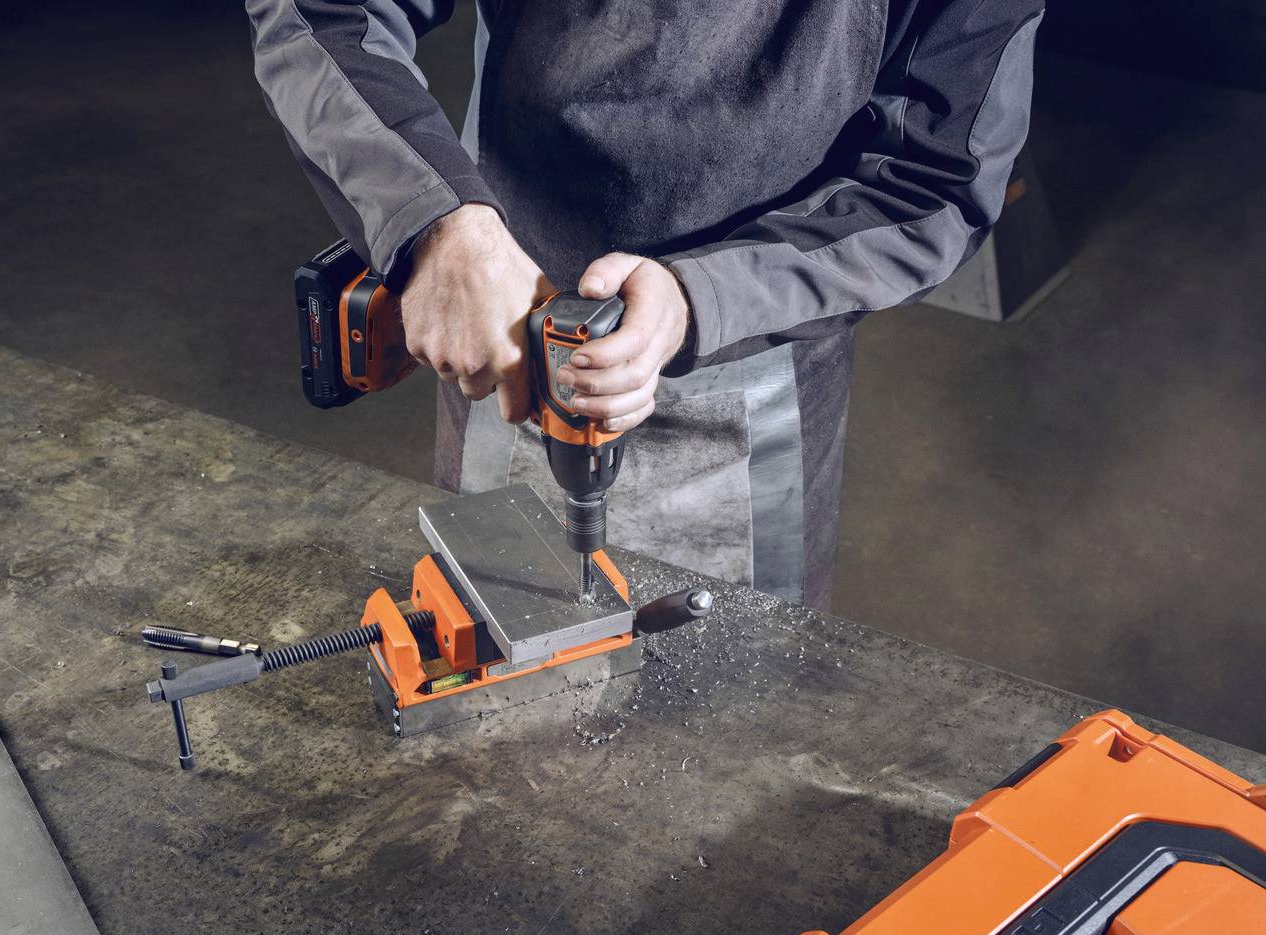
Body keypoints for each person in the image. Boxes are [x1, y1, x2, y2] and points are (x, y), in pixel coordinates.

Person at [246, 0, 1042, 608]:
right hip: (514, 328)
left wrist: (705, 297)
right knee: (489, 677)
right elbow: (321, 11)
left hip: (755, 371)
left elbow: (940, 179)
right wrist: (434, 223)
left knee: (735, 722)